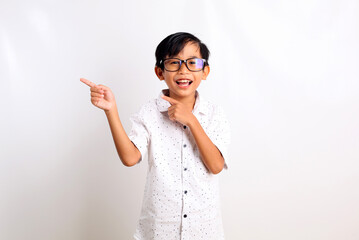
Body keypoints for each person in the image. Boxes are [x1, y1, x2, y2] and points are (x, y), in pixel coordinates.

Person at [80, 32, 230, 240]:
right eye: (174, 63)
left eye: (192, 63)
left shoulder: (215, 114)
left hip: (203, 229)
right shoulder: (149, 113)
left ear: (205, 71)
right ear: (160, 72)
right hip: (159, 229)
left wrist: (192, 121)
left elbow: (215, 166)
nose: (183, 70)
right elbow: (130, 158)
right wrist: (111, 110)